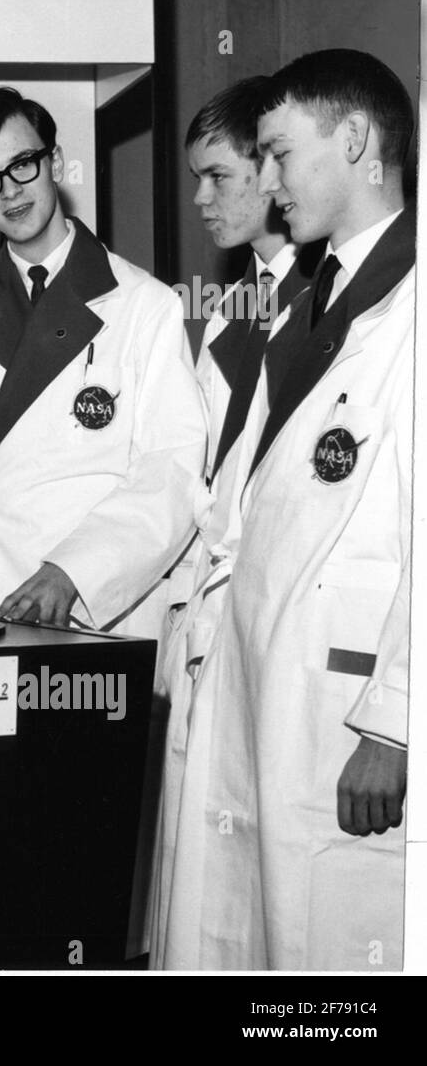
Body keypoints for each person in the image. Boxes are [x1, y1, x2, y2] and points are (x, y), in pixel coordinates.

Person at [163, 50, 413, 969]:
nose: (267, 185)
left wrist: (395, 721)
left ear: (353, 141)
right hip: (262, 681)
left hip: (344, 708)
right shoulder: (313, 303)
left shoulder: (410, 309)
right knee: (258, 934)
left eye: (278, 155)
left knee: (333, 947)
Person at [0, 87, 205, 638]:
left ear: (55, 163)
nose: (9, 192)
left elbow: (170, 471)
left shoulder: (143, 305)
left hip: (99, 607)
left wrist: (73, 571)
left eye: (23, 165)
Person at [148, 77, 320, 964]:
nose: (201, 200)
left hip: (276, 628)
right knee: (202, 894)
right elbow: (201, 480)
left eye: (218, 176)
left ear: (271, 167)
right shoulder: (228, 312)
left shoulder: (328, 304)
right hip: (209, 621)